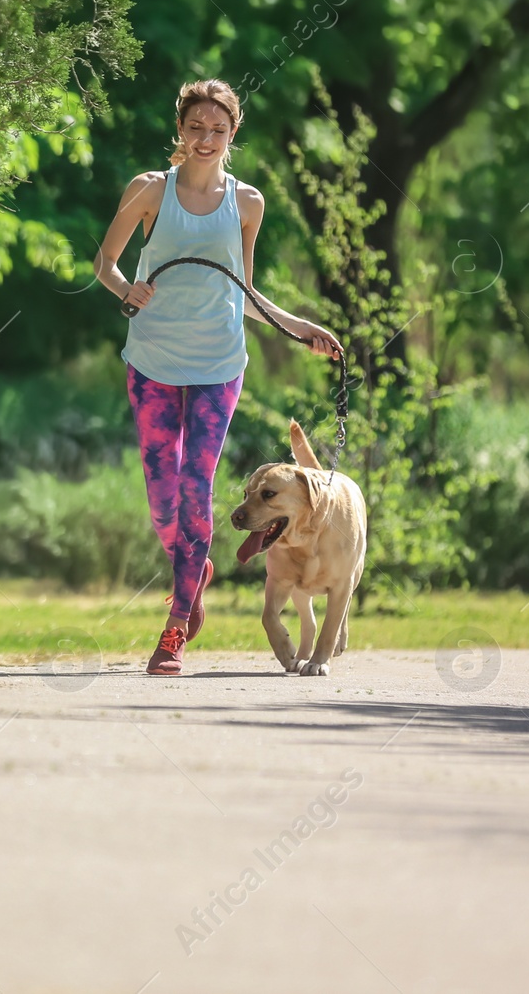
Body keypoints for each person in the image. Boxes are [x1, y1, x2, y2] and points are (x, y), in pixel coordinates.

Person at [92, 79, 343, 676]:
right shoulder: (150, 190)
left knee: (194, 485)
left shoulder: (247, 202)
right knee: (162, 503)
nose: (206, 139)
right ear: (180, 130)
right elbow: (104, 262)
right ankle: (194, 566)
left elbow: (245, 293)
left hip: (217, 366)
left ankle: (176, 625)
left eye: (218, 130)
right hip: (152, 361)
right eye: (196, 128)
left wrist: (298, 324)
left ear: (233, 134)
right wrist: (127, 287)